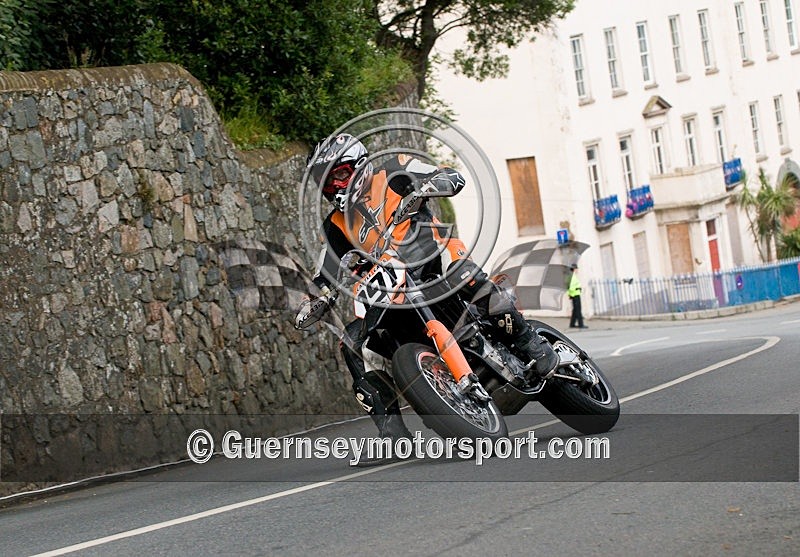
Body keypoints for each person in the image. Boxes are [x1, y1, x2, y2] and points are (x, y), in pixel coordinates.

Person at [295, 133, 558, 457]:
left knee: (465, 276)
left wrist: (434, 183)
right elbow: (326, 271)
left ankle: (528, 340)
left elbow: (446, 174)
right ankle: (392, 433)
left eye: (338, 175)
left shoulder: (394, 171)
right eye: (326, 182)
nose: (334, 187)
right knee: (352, 342)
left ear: (357, 164)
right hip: (391, 286)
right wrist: (317, 298)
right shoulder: (336, 224)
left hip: (433, 256)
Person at [568, 264, 587, 329]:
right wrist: (577, 288)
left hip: (574, 295)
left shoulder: (571, 276)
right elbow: (570, 287)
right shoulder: (572, 276)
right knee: (578, 310)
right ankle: (581, 324)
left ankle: (572, 324)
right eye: (576, 268)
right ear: (574, 269)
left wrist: (570, 294)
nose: (577, 270)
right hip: (575, 295)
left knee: (575, 310)